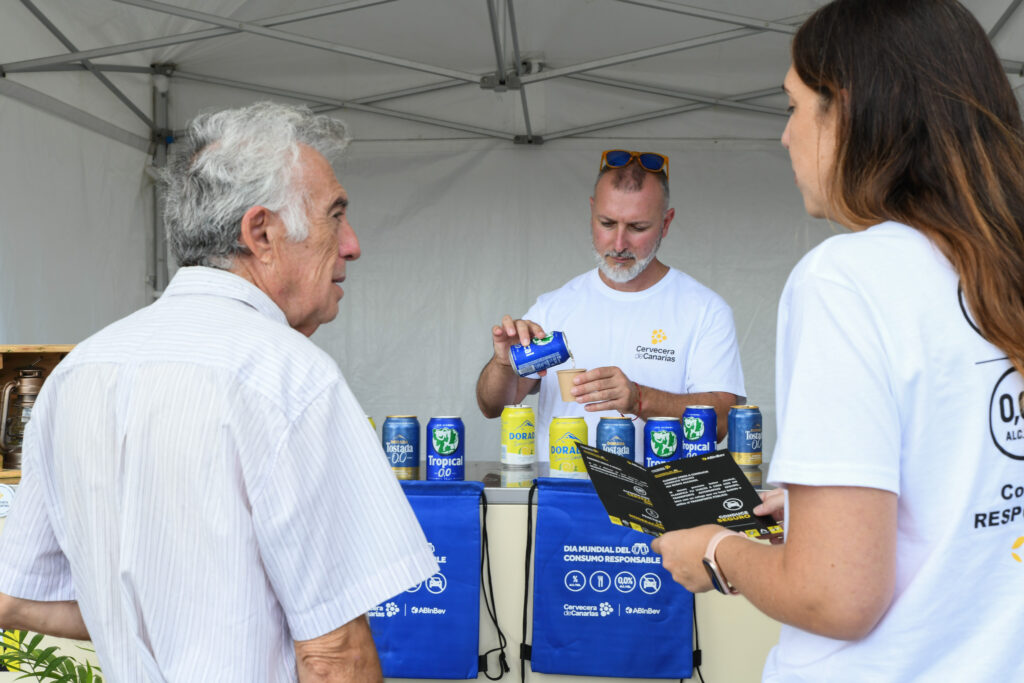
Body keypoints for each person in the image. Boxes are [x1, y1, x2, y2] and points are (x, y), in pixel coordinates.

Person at [0, 102, 438, 682]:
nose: (352, 244)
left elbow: (15, 599)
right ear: (261, 233)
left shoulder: (81, 370)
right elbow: (334, 658)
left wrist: (149, 615)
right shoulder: (290, 375)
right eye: (336, 216)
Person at [651, 0, 1024, 680]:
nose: (786, 136)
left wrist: (713, 552)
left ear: (846, 112)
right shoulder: (1003, 263)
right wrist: (829, 512)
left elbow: (836, 594)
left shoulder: (847, 279)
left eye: (794, 107)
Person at [476, 151, 745, 460]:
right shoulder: (553, 308)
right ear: (592, 212)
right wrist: (502, 365)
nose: (618, 244)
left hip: (662, 500)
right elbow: (492, 406)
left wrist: (640, 399)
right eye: (607, 223)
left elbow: (723, 422)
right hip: (564, 500)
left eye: (637, 227)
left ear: (666, 223)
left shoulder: (704, 310)